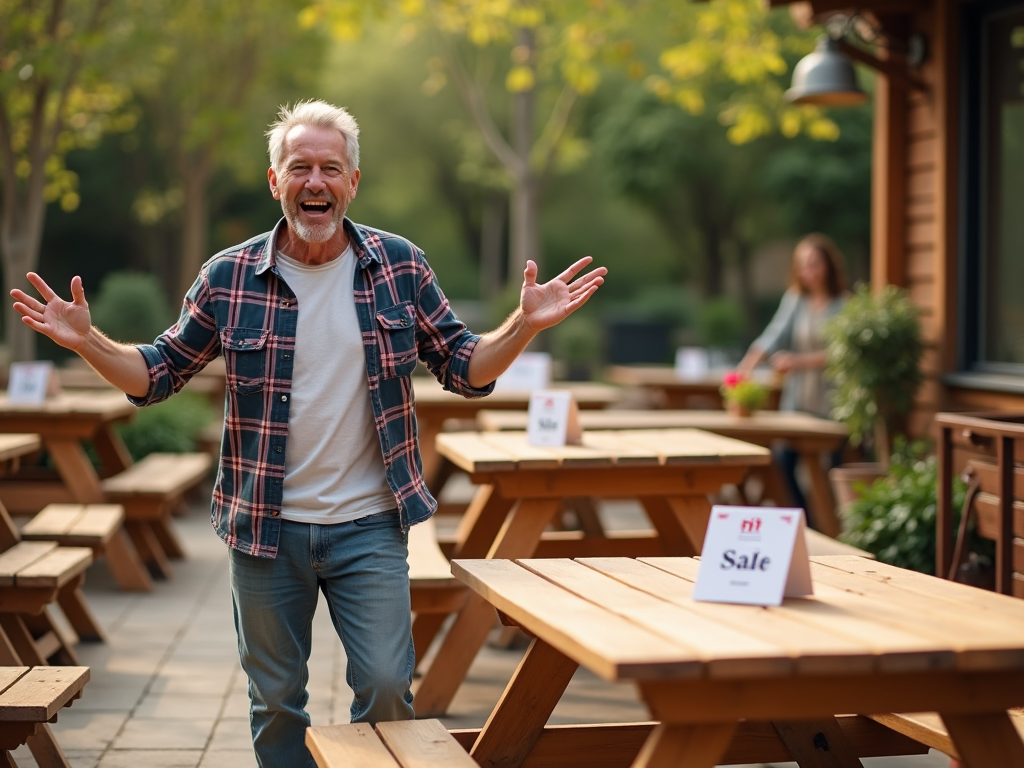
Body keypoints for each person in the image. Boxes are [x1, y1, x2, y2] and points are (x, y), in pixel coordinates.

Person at [10, 99, 607, 768]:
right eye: (300, 167)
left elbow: (465, 367)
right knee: (276, 700)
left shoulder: (400, 266)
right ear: (275, 181)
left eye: (331, 168)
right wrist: (86, 339)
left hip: (370, 523)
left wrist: (523, 327)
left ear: (353, 182)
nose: (315, 182)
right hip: (265, 528)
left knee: (385, 688)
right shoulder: (229, 276)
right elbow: (156, 374)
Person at [737, 233, 848, 517]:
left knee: (831, 468)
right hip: (797, 401)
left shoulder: (844, 305)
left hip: (831, 402)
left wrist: (798, 361)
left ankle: (834, 524)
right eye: (803, 265)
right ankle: (806, 520)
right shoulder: (796, 299)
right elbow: (773, 335)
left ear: (829, 266)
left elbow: (841, 353)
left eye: (815, 264)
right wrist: (747, 366)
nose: (809, 271)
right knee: (783, 461)